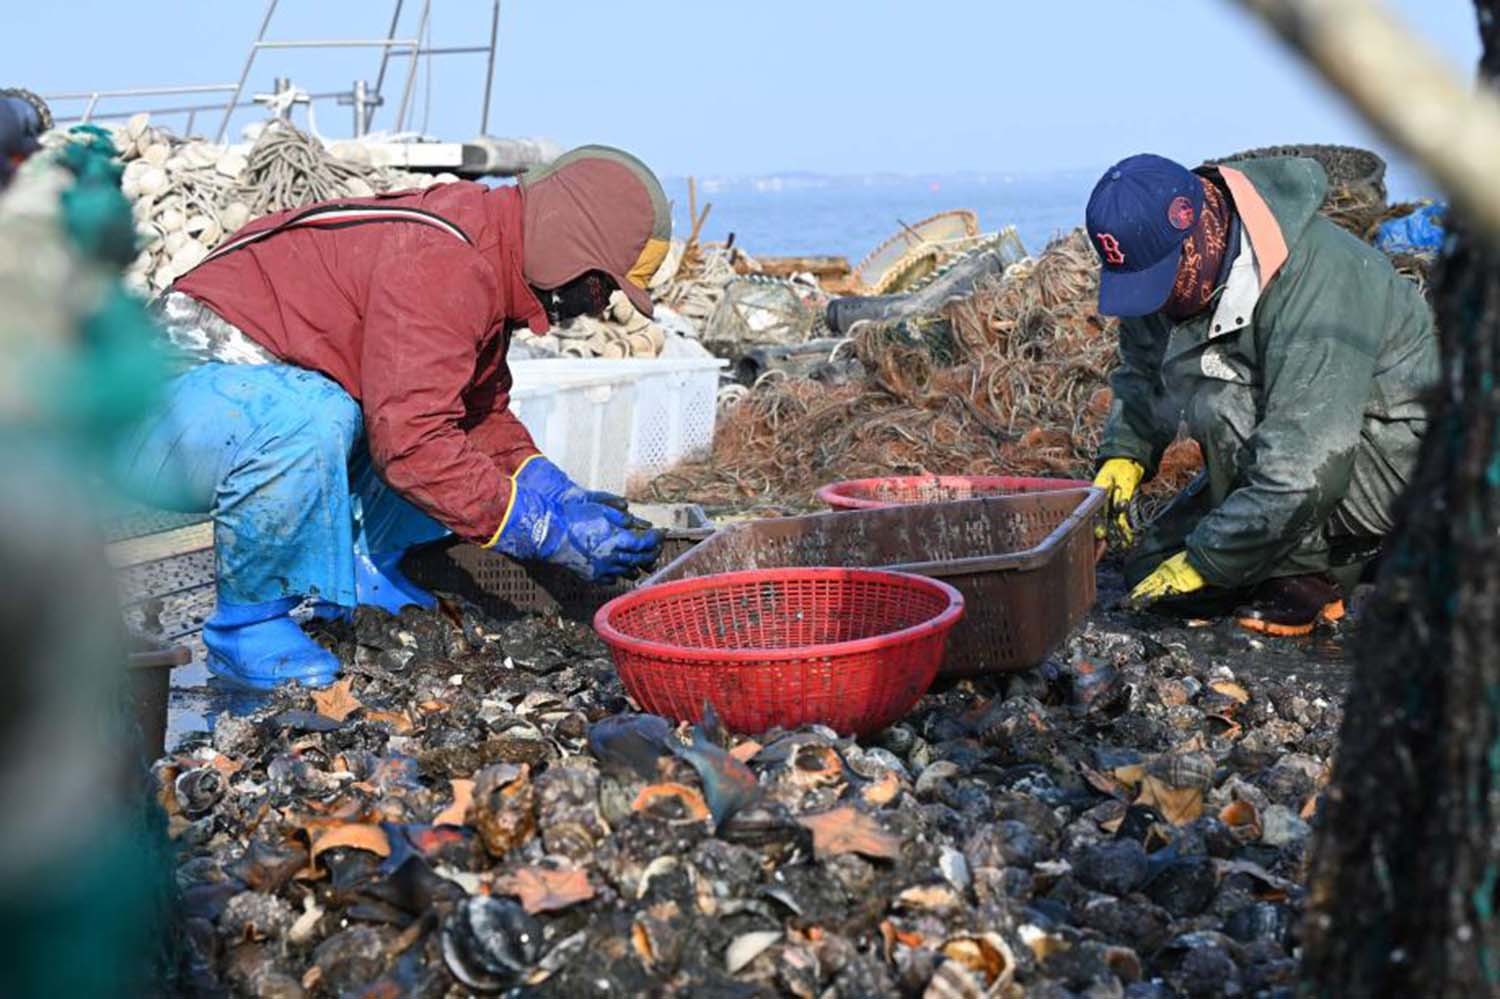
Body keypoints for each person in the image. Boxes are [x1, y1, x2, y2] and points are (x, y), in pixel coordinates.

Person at [116, 144, 670, 688]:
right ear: (569, 246)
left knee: (395, 405)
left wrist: (551, 489)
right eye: (602, 285)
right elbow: (412, 445)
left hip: (227, 403)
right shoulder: (444, 260)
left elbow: (474, 412)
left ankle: (364, 570)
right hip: (157, 410)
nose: (599, 305)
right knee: (323, 413)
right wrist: (544, 530)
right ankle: (247, 625)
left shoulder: (485, 253)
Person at [1087, 152, 1437, 635]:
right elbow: (1144, 372)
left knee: (1218, 397)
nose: (1155, 299)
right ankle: (1327, 553)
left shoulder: (1320, 277)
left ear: (1199, 235)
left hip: (1395, 458)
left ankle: (1310, 573)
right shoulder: (1170, 266)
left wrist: (1206, 561)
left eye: (1161, 280)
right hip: (1292, 439)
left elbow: (1305, 465)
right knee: (1149, 570)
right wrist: (1123, 454)